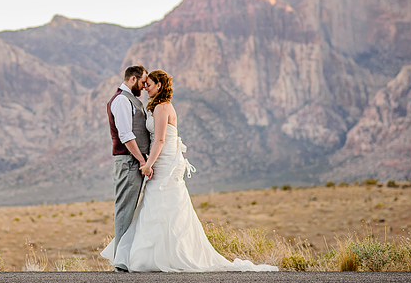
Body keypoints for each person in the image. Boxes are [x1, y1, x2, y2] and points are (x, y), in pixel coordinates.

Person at [101, 69, 279, 272]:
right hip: (156, 159)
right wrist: (148, 162)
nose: (145, 88)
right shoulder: (147, 104)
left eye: (148, 84)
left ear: (159, 85)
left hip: (163, 160)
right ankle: (149, 256)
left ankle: (158, 256)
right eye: (144, 83)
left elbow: (160, 140)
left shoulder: (162, 107)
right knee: (155, 204)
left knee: (162, 202)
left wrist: (148, 163)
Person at [106, 65, 150, 272]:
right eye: (142, 82)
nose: (144, 86)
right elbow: (126, 135)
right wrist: (142, 161)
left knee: (131, 209)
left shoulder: (131, 99)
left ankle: (127, 259)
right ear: (133, 79)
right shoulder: (122, 100)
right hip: (128, 161)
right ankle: (121, 263)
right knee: (125, 209)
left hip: (133, 161)